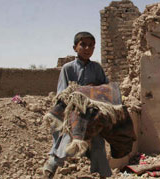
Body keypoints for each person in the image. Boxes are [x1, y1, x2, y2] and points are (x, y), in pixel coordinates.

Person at [43, 31, 111, 178]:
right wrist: (79, 93)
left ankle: (104, 175)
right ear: (75, 47)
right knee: (65, 140)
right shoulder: (68, 68)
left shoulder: (97, 68)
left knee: (98, 143)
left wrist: (93, 91)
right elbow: (62, 93)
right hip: (72, 112)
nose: (87, 48)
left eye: (91, 46)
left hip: (92, 112)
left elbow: (105, 88)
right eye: (83, 45)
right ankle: (49, 170)